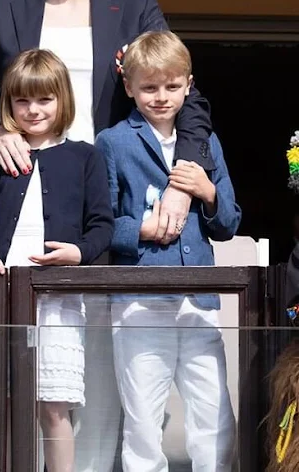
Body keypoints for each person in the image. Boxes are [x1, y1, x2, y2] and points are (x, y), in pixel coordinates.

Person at [0, 0, 214, 471]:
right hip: (27, 207)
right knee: (23, 374)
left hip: (113, 204)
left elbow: (185, 100)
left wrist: (184, 176)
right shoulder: (2, 8)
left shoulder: (136, 5)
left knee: (101, 373)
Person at [0, 50, 113, 472]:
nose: (33, 109)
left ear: (62, 100)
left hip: (56, 297)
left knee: (53, 407)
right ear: (9, 104)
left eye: (44, 99)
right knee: (4, 405)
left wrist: (78, 253)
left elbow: (102, 226)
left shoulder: (85, 157)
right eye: (22, 101)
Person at [95, 31, 240, 471]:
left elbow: (229, 222)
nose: (161, 97)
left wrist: (208, 191)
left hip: (198, 300)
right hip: (139, 299)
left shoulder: (206, 144)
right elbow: (98, 226)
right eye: (150, 87)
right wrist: (139, 228)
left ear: (189, 85)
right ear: (129, 88)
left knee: (214, 415)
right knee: (142, 421)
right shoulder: (113, 142)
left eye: (172, 86)